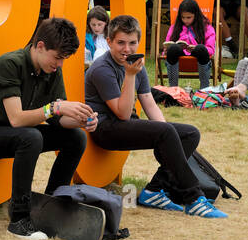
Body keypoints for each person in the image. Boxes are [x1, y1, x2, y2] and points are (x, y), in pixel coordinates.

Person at [0, 18, 96, 240]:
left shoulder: (51, 70)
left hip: (13, 134)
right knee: (30, 137)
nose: (60, 64)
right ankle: (19, 219)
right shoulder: (10, 63)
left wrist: (81, 121)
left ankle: (54, 203)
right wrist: (56, 107)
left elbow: (56, 121)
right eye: (58, 57)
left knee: (76, 137)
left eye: (64, 59)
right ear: (40, 46)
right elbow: (17, 119)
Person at [84, 14, 226, 218]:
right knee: (167, 132)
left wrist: (169, 138)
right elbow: (122, 114)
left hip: (125, 123)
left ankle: (154, 190)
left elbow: (149, 104)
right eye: (120, 43)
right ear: (109, 42)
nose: (127, 49)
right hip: (104, 128)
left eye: (132, 43)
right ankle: (193, 198)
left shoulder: (136, 66)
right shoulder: (102, 69)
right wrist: (130, 75)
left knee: (189, 134)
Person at [162, 0, 215, 88]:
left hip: (198, 60)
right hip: (178, 60)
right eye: (183, 17)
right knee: (173, 48)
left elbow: (210, 49)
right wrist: (166, 50)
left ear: (196, 15)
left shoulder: (207, 28)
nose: (185, 20)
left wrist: (195, 47)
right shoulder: (175, 27)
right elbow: (168, 44)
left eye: (189, 17)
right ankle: (173, 88)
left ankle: (204, 88)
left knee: (201, 48)